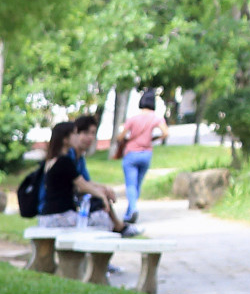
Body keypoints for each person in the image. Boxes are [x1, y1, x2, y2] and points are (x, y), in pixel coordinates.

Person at [37, 118, 124, 233]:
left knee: (98, 218)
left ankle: (118, 227)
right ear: (65, 139)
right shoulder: (65, 161)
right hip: (60, 216)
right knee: (102, 220)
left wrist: (102, 190)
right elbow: (82, 185)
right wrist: (102, 196)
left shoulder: (52, 160)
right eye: (74, 133)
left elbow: (84, 182)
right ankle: (102, 245)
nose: (77, 137)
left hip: (51, 215)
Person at [116, 90, 168, 224]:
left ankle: (132, 209)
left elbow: (121, 137)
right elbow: (165, 133)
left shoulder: (133, 119)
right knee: (137, 185)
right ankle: (129, 212)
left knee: (131, 184)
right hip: (146, 154)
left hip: (131, 153)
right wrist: (153, 138)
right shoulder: (156, 118)